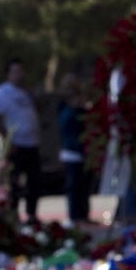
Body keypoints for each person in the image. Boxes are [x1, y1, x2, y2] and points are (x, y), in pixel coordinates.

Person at [0, 57, 41, 223]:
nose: (19, 75)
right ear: (8, 74)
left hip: (31, 143)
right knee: (14, 182)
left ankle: (31, 214)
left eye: (21, 71)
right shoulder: (3, 93)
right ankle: (13, 214)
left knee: (34, 181)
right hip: (15, 145)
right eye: (15, 71)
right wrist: (8, 140)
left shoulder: (25, 93)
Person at [57, 73, 91, 226]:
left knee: (83, 185)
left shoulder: (79, 108)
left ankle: (82, 214)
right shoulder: (66, 110)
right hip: (72, 150)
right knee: (74, 185)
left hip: (80, 150)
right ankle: (75, 215)